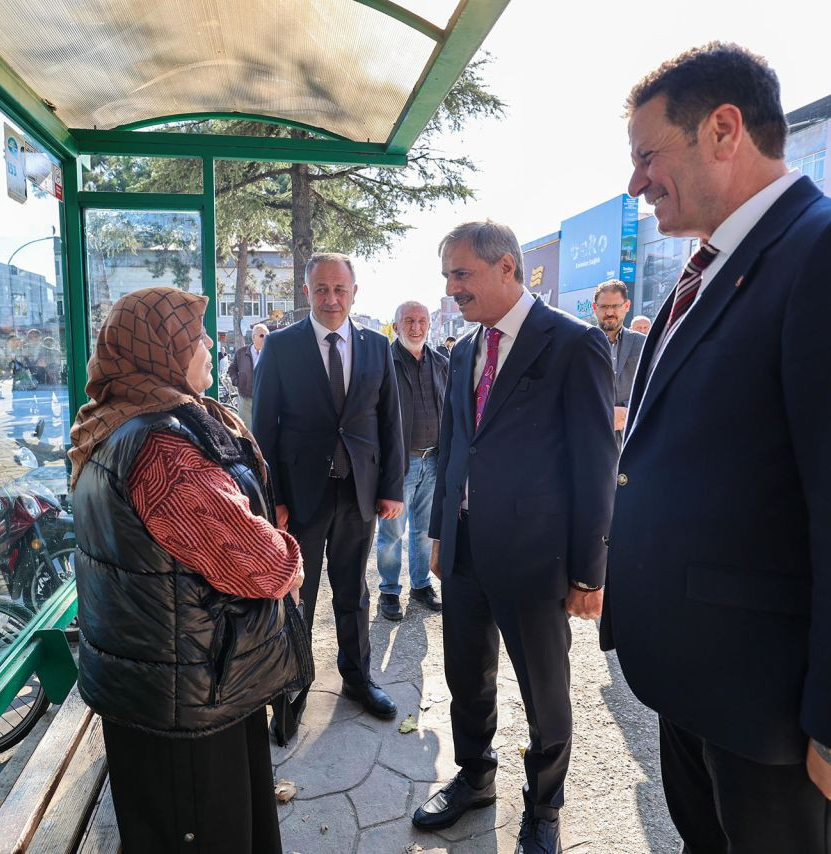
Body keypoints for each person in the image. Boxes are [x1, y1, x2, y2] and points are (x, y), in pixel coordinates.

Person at [603, 43, 831, 854]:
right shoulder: (704, 275)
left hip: (786, 724)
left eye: (646, 156)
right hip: (701, 693)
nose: (635, 183)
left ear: (724, 130)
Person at [69, 287, 309, 853]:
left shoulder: (116, 421)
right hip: (187, 693)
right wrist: (290, 564)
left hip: (170, 678)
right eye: (193, 336)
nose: (207, 344)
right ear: (158, 350)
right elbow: (254, 562)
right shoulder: (162, 448)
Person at [413, 221, 617, 854]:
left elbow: (594, 464)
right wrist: (441, 533)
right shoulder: (467, 348)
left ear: (508, 270)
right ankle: (475, 777)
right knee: (466, 676)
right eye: (447, 275)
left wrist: (591, 570)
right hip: (468, 550)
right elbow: (452, 448)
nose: (450, 290)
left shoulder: (572, 343)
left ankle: (544, 807)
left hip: (537, 559)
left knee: (544, 694)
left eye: (461, 274)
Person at [252, 252, 405, 726]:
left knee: (354, 591)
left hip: (357, 492)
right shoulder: (280, 347)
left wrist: (392, 487)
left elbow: (389, 421)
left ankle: (357, 677)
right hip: (300, 496)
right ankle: (291, 686)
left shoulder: (378, 347)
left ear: (354, 292)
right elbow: (264, 430)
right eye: (322, 289)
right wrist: (271, 498)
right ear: (307, 292)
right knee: (297, 593)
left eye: (340, 289)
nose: (331, 298)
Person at [374, 300, 447, 621]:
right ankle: (389, 590)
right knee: (391, 532)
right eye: (408, 321)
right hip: (399, 464)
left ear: (429, 324)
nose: (416, 327)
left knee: (424, 531)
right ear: (396, 325)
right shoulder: (383, 362)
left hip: (434, 460)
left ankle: (420, 585)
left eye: (421, 321)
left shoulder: (441, 363)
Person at [592, 280, 646, 440]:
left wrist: (626, 411)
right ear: (595, 308)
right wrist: (604, 413)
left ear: (627, 306)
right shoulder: (580, 343)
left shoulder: (643, 343)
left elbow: (651, 385)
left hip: (633, 432)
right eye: (604, 307)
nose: (609, 312)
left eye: (615, 306)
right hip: (593, 431)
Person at [228, 323, 268, 427]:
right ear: (254, 337)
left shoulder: (271, 353)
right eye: (262, 335)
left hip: (264, 398)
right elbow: (232, 368)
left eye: (267, 336)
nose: (265, 338)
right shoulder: (241, 352)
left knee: (263, 428)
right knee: (246, 428)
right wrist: (236, 381)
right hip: (245, 397)